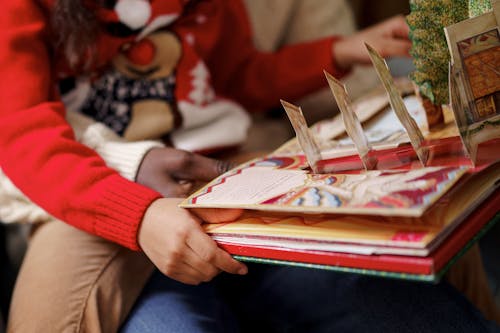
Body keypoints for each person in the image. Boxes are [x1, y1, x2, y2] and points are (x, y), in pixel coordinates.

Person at [0, 1, 498, 332]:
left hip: (227, 174)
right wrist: (140, 215)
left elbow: (239, 76)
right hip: (101, 197)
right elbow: (23, 135)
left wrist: (335, 52)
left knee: (409, 302)